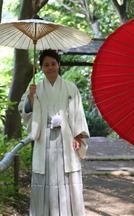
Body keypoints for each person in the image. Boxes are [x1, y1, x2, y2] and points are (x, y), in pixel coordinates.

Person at [18, 49, 90, 216]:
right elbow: (25, 111)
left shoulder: (70, 88)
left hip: (65, 136)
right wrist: (30, 97)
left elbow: (78, 112)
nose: (50, 67)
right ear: (41, 68)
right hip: (44, 136)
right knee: (45, 174)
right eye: (46, 65)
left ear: (59, 65)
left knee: (67, 173)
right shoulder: (36, 88)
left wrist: (77, 135)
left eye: (53, 64)